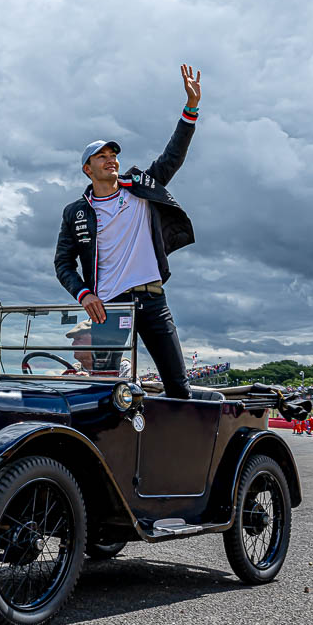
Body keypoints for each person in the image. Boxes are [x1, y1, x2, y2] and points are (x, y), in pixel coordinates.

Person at [55, 65, 202, 399]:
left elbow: (173, 157)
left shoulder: (139, 188)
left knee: (178, 388)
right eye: (102, 156)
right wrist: (84, 294)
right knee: (106, 390)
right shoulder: (76, 212)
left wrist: (191, 107)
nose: (111, 160)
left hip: (152, 300)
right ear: (87, 168)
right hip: (109, 307)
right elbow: (63, 264)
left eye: (113, 155)